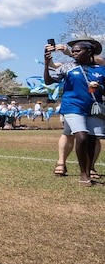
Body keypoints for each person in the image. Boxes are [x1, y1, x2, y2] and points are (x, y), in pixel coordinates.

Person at [44, 37, 105, 186]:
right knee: (82, 136)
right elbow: (49, 81)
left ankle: (89, 168)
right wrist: (46, 64)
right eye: (73, 51)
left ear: (89, 51)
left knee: (91, 139)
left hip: (92, 107)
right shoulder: (68, 67)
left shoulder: (101, 69)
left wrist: (100, 88)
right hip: (72, 106)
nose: (74, 53)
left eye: (78, 51)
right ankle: (83, 174)